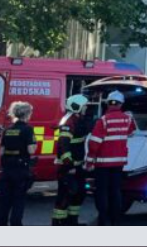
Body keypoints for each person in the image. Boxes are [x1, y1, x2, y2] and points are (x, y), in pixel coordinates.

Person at [86, 90, 134, 226]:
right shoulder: (127, 119)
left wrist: (89, 161)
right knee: (115, 191)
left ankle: (103, 220)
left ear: (108, 104)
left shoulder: (103, 120)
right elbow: (131, 131)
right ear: (121, 104)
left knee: (102, 192)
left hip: (102, 163)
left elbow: (94, 142)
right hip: (119, 163)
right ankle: (115, 220)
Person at [52, 94, 92, 225]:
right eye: (84, 106)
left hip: (78, 165)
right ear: (77, 106)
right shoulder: (68, 121)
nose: (86, 108)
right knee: (66, 194)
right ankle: (59, 222)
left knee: (79, 193)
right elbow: (63, 144)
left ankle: (72, 221)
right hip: (68, 166)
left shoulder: (78, 119)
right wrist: (69, 165)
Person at [0, 101, 36, 226]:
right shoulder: (28, 129)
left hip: (7, 169)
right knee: (18, 200)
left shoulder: (8, 130)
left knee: (4, 200)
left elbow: (1, 151)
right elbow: (31, 150)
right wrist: (34, 145)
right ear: (27, 114)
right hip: (20, 169)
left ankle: (0, 224)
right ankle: (16, 224)